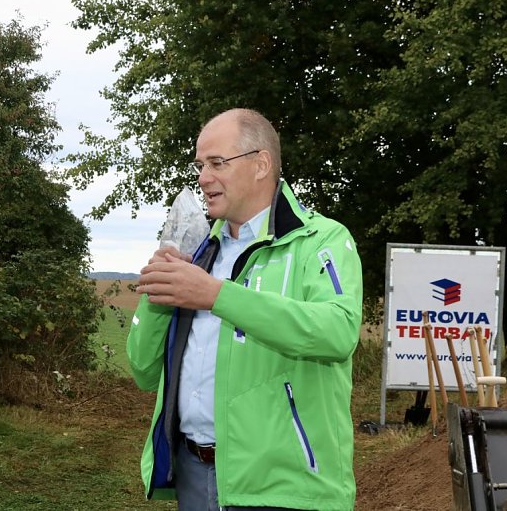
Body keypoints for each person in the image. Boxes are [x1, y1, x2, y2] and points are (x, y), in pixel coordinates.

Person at [129, 108, 363, 510]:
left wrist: (216, 295)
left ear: (261, 164)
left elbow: (338, 332)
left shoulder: (320, 240)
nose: (203, 178)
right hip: (195, 474)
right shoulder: (199, 254)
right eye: (200, 165)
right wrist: (159, 293)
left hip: (285, 489)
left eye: (217, 163)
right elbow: (144, 371)